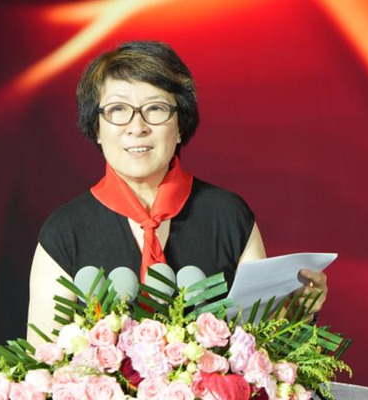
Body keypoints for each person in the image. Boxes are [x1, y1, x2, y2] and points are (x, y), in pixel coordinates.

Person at [26, 41, 327, 346]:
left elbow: (262, 349)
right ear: (97, 128)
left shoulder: (229, 217)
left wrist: (298, 314)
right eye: (118, 110)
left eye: (155, 109)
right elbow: (42, 360)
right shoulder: (64, 232)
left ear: (180, 125)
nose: (137, 127)